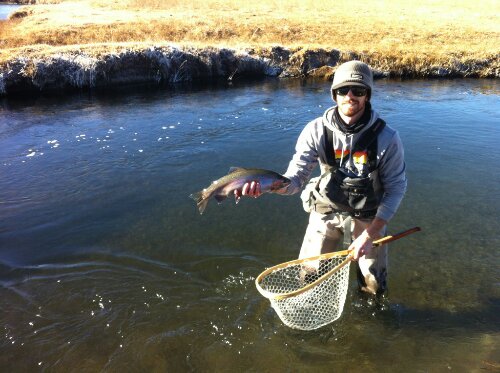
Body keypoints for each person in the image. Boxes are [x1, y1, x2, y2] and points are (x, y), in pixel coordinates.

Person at [236, 60, 407, 296]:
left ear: (367, 95)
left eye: (358, 91)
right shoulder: (315, 131)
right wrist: (270, 187)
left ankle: (372, 322)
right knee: (309, 278)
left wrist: (370, 234)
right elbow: (295, 180)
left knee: (374, 286)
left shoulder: (387, 138)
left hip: (369, 217)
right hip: (326, 208)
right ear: (334, 95)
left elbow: (396, 189)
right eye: (342, 90)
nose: (350, 96)